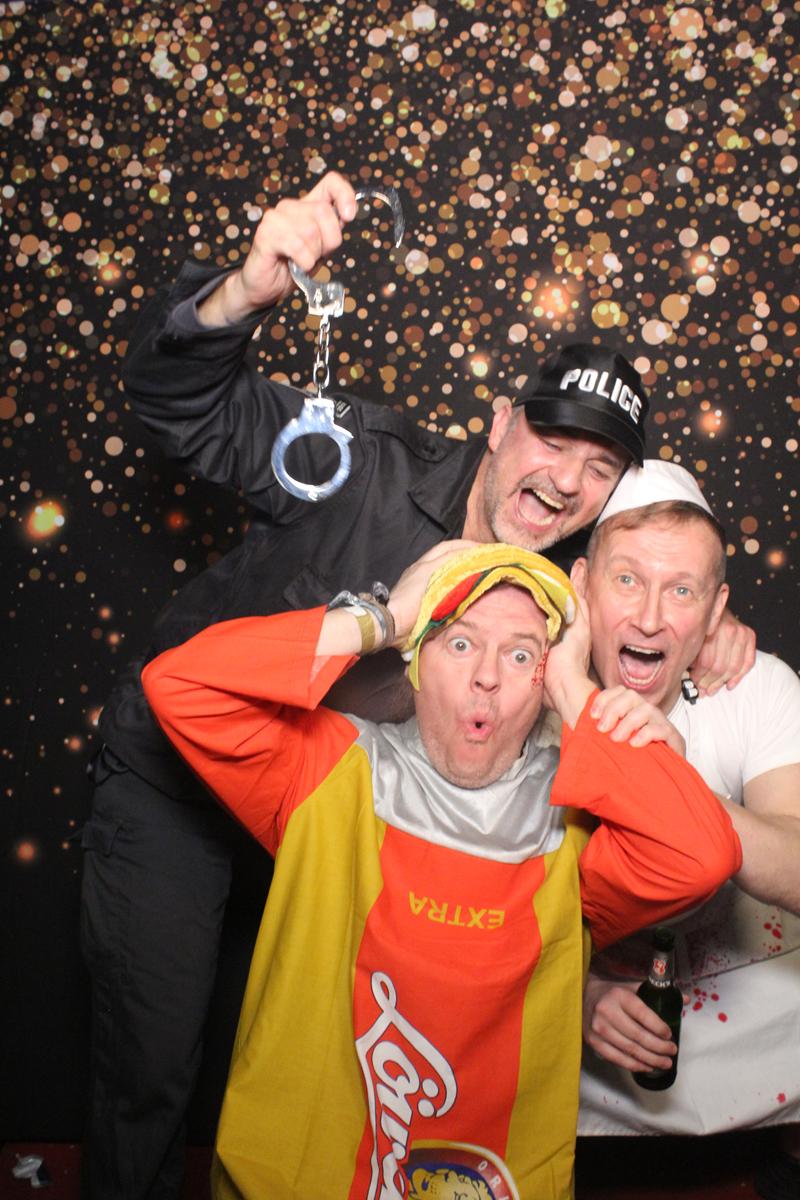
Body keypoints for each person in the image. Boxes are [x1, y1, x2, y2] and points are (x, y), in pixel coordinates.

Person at [79, 172, 752, 1200]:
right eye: (551, 442)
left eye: (599, 469)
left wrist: (709, 630)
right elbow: (182, 411)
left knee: (308, 1074)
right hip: (184, 777)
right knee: (153, 1060)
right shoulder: (364, 461)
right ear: (499, 422)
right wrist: (242, 294)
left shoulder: (561, 580)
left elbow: (647, 614)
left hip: (341, 824)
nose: (565, 480)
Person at [140, 539, 741, 1200]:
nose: (487, 676)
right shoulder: (327, 770)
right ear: (417, 661)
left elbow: (702, 856)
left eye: (521, 656)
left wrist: (576, 690)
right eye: (459, 643)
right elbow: (180, 685)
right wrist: (382, 619)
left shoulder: (573, 825)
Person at [572, 461, 800, 1198]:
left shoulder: (757, 688)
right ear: (581, 585)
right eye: (627, 580)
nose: (648, 618)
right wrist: (577, 996)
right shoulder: (521, 690)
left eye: (681, 591)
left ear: (715, 609)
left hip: (758, 1088)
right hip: (582, 1101)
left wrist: (678, 792)